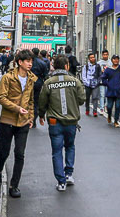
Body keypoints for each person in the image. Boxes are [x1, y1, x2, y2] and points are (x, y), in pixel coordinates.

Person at [38, 54, 86, 192]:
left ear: (54, 66)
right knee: (70, 146)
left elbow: (42, 102)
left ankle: (61, 181)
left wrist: (41, 115)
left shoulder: (48, 82)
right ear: (67, 66)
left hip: (54, 122)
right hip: (71, 121)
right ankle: (69, 174)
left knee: (57, 151)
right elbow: (82, 99)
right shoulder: (74, 81)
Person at [0, 49, 36, 198]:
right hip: (7, 120)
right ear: (20, 62)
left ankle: (14, 185)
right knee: (4, 152)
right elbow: (1, 98)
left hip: (23, 123)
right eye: (27, 61)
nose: (30, 64)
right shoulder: (8, 78)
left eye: (31, 61)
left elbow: (30, 100)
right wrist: (17, 108)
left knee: (20, 154)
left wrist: (31, 117)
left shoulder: (31, 79)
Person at [101, 54, 120, 126]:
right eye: (114, 59)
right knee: (109, 106)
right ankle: (109, 116)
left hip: (118, 92)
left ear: (119, 60)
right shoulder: (108, 69)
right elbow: (103, 78)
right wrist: (107, 84)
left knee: (117, 106)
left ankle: (116, 121)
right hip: (110, 91)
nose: (116, 60)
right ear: (112, 60)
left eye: (117, 59)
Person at [30, 47, 50, 127]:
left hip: (29, 82)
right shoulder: (42, 63)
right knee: (36, 102)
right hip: (38, 83)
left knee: (27, 100)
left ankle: (28, 119)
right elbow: (46, 75)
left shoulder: (29, 62)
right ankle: (33, 120)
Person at [80, 52, 103, 117]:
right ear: (89, 59)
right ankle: (87, 109)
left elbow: (100, 75)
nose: (93, 59)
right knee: (87, 97)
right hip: (88, 84)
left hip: (95, 84)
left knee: (95, 97)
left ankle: (95, 111)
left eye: (93, 57)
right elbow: (83, 75)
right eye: (91, 58)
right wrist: (86, 82)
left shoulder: (98, 66)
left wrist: (98, 82)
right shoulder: (86, 66)